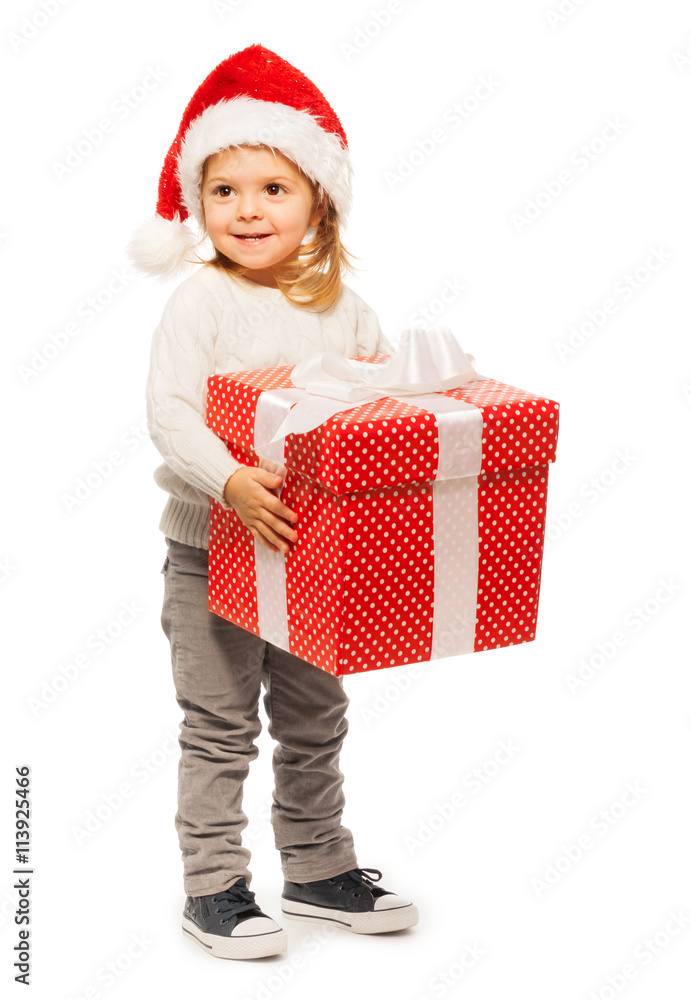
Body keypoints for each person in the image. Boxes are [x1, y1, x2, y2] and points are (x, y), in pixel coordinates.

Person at [128, 44, 418, 961]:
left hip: (313, 554)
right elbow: (169, 414)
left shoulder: (347, 308)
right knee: (218, 724)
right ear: (199, 205)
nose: (247, 209)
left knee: (312, 716)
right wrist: (231, 480)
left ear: (317, 201)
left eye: (272, 188)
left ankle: (318, 867)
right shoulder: (200, 304)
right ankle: (212, 887)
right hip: (213, 547)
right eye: (224, 191)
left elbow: (374, 408)